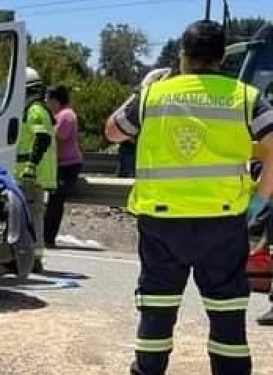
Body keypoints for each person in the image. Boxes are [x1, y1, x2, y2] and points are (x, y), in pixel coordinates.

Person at [105, 20, 273, 375]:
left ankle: (148, 370)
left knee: (157, 309)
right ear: (221, 58)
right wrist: (258, 201)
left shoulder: (154, 95)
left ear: (183, 55)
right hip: (223, 222)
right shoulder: (246, 97)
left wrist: (140, 90)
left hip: (162, 223)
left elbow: (113, 132)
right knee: (227, 314)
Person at [15, 67, 58, 272]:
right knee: (30, 214)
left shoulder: (34, 110)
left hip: (32, 174)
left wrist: (31, 165)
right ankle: (31, 256)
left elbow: (42, 138)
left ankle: (34, 258)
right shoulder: (36, 109)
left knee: (32, 215)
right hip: (28, 173)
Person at [44, 84, 84, 247]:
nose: (46, 102)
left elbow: (58, 140)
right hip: (59, 165)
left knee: (55, 202)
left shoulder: (66, 116)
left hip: (67, 165)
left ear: (55, 100)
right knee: (52, 201)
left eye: (47, 99)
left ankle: (48, 237)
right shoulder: (57, 116)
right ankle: (45, 235)